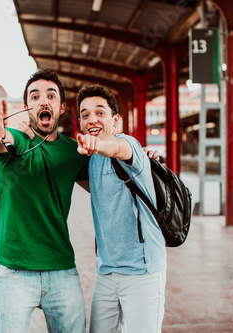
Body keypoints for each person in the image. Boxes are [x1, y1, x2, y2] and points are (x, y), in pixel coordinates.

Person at [0, 69, 89, 332]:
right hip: (14, 272)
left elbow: (104, 188)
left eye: (51, 96)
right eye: (35, 96)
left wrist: (139, 157)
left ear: (61, 107)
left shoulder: (73, 152)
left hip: (62, 270)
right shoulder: (17, 140)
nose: (43, 101)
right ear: (27, 106)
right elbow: (0, 140)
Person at [76, 85, 167, 333]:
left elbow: (117, 148)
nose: (91, 119)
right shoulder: (92, 161)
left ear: (115, 120)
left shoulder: (128, 144)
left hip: (142, 270)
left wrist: (98, 144)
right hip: (106, 271)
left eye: (99, 112)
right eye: (85, 115)